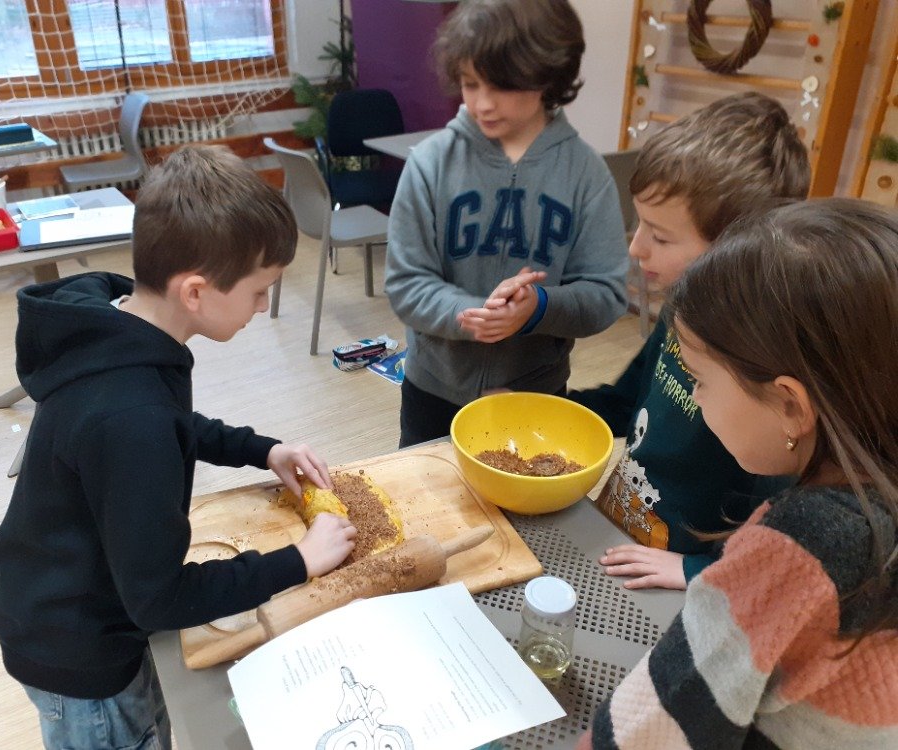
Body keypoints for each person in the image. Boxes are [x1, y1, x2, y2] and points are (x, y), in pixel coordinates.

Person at [0, 145, 357, 750]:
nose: (263, 306)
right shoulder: (130, 418)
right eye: (259, 290)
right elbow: (161, 600)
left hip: (65, 593)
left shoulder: (120, 329)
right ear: (195, 292)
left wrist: (263, 450)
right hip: (83, 651)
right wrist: (298, 561)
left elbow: (173, 423)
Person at [582, 198, 898, 749]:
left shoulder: (801, 543)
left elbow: (643, 733)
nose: (696, 398)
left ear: (791, 407)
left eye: (701, 380)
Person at [568, 92, 810, 589]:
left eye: (659, 236)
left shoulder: (763, 369)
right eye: (639, 224)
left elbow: (782, 527)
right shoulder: (683, 310)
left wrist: (696, 570)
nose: (636, 248)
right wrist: (544, 408)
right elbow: (627, 401)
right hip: (623, 528)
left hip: (686, 578)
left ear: (734, 250)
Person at [384, 0, 629, 448]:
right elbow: (405, 284)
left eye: (502, 85)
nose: (482, 103)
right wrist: (473, 315)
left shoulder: (585, 173)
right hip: (433, 391)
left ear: (547, 75)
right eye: (470, 83)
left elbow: (607, 294)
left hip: (535, 394)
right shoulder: (430, 164)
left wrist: (537, 308)